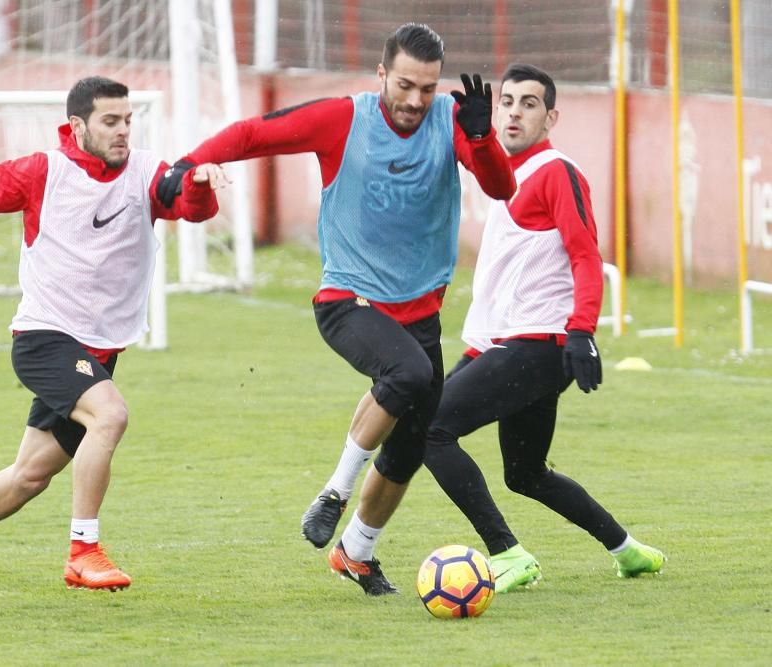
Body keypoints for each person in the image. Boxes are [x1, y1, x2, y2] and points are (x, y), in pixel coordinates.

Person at [156, 23, 516, 595]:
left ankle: (357, 552)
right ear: (380, 75)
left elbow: (501, 190)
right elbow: (255, 134)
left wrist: (480, 139)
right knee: (409, 373)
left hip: (420, 312)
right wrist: (185, 164)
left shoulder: (451, 122)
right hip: (349, 299)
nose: (416, 100)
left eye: (428, 88)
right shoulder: (344, 120)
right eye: (405, 85)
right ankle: (333, 492)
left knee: (409, 444)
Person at [0, 76, 228, 598]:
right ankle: (83, 552)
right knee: (111, 415)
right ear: (78, 126)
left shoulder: (146, 172)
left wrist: (201, 186)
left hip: (99, 350)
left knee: (29, 477)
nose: (122, 132)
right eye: (110, 122)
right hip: (44, 337)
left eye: (127, 121)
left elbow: (188, 207)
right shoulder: (40, 172)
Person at [334, 63, 667, 595]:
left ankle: (507, 553)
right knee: (526, 472)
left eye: (528, 104)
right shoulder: (504, 177)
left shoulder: (557, 171)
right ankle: (629, 551)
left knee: (432, 430)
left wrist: (583, 331)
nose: (514, 111)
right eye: (507, 101)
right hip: (506, 344)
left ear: (551, 116)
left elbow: (585, 255)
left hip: (541, 344)